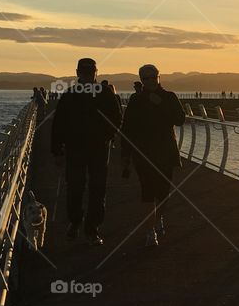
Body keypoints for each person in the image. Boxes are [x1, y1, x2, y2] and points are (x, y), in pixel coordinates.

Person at [51, 58, 122, 245]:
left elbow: (116, 118)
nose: (88, 76)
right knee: (77, 186)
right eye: (86, 72)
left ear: (95, 73)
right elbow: (59, 123)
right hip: (78, 148)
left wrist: (107, 135)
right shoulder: (72, 94)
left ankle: (91, 228)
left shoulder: (102, 93)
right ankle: (76, 222)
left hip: (96, 147)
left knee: (96, 189)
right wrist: (57, 149)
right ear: (78, 73)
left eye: (90, 72)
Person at [120, 65, 185, 248]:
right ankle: (150, 231)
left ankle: (158, 219)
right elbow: (128, 128)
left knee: (163, 192)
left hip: (165, 152)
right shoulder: (135, 100)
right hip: (143, 153)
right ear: (141, 80)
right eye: (145, 78)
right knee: (148, 192)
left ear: (159, 77)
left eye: (152, 77)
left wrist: (161, 104)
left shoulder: (169, 97)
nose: (149, 81)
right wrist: (125, 153)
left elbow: (180, 119)